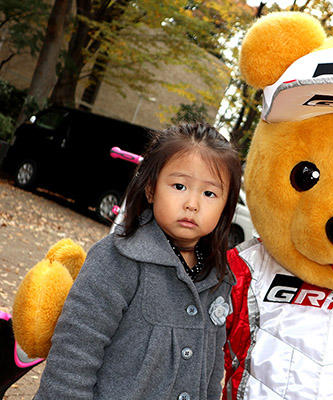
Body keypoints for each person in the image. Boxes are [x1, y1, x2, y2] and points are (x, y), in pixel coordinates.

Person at [33, 122, 242, 399]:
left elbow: (212, 370)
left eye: (209, 193)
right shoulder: (117, 259)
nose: (193, 203)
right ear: (151, 189)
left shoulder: (219, 276)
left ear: (225, 206)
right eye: (179, 186)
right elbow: (74, 353)